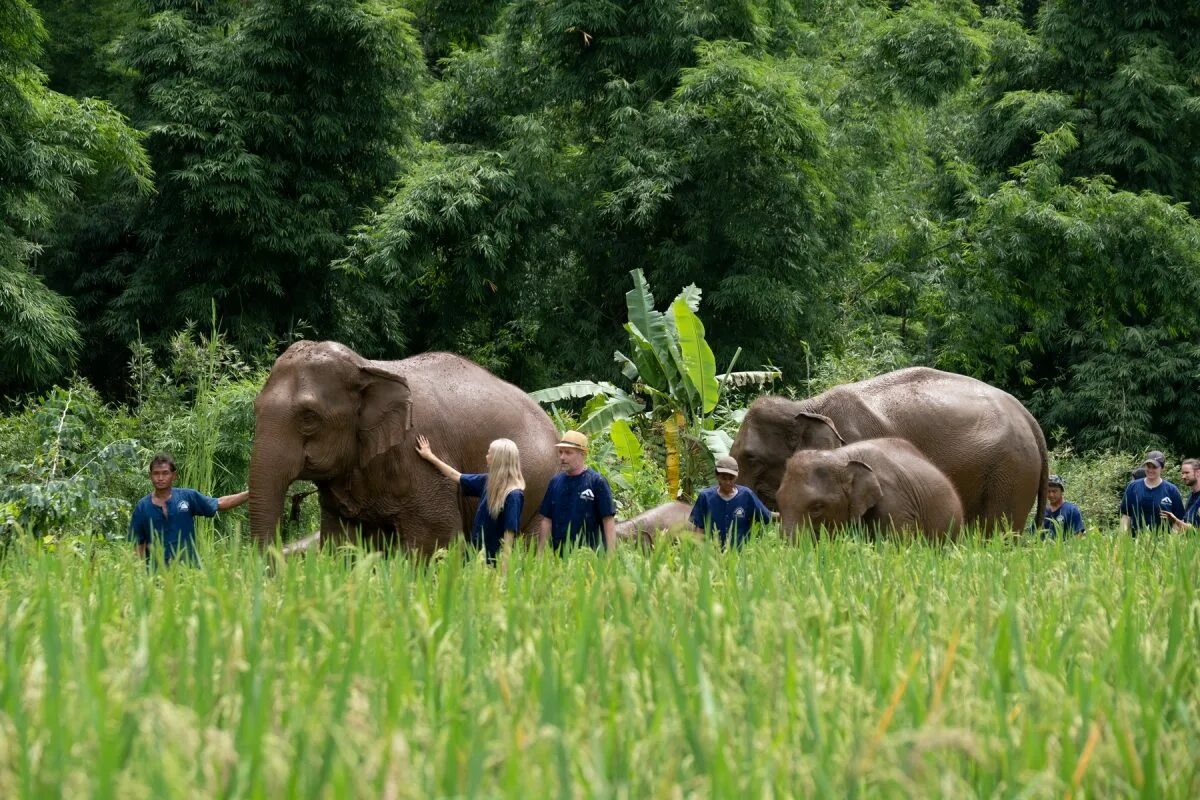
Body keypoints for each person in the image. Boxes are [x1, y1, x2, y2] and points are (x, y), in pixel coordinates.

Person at [415, 434, 525, 564]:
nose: (486, 456)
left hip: (494, 563)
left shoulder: (514, 495)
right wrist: (430, 456)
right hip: (477, 558)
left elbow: (509, 536)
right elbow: (456, 476)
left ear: (498, 459)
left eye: (489, 453)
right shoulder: (488, 481)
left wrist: (504, 571)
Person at [129, 453, 249, 566]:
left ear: (174, 475)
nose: (160, 478)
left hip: (188, 570)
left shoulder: (188, 497)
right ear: (150, 476)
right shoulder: (142, 507)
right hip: (157, 574)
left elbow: (220, 503)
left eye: (165, 473)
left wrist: (249, 494)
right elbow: (138, 545)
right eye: (156, 473)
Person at [537, 431, 616, 553]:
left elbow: (608, 520)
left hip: (590, 556)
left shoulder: (597, 482)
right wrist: (540, 555)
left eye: (568, 452)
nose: (562, 457)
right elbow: (547, 520)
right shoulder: (555, 482)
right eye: (561, 452)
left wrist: (611, 557)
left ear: (583, 454)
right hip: (559, 557)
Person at [690, 455, 773, 548]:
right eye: (724, 478)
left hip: (741, 555)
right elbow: (699, 529)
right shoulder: (705, 497)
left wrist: (783, 515)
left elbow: (766, 516)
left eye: (731, 478)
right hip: (713, 553)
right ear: (717, 476)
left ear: (737, 476)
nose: (728, 482)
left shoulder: (747, 495)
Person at [1119, 450, 1184, 536]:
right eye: (1148, 466)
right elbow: (1126, 516)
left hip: (1162, 543)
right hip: (1135, 542)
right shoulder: (1133, 487)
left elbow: (1178, 519)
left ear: (1162, 468)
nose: (1150, 470)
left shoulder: (1171, 490)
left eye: (1154, 467)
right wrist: (1122, 539)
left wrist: (1171, 541)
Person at [1161, 457, 1200, 532]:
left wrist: (1175, 520)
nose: (1183, 477)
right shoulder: (1191, 496)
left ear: (1198, 472)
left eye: (1187, 473)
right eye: (1182, 473)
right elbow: (1187, 523)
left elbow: (1195, 530)